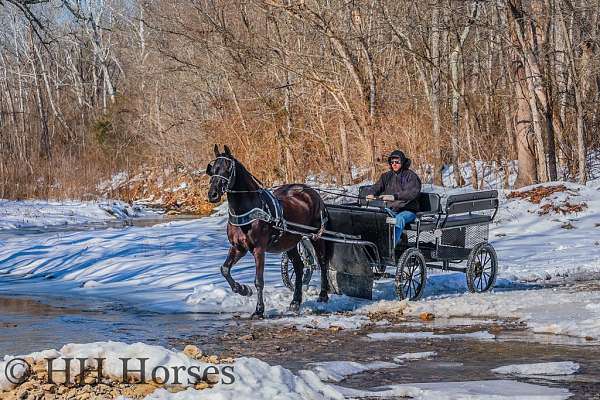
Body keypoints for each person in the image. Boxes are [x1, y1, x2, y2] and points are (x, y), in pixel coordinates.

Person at [366, 150, 422, 244]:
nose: (394, 164)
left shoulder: (411, 176)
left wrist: (394, 196)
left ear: (403, 162)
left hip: (408, 210)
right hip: (391, 209)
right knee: (376, 217)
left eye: (397, 162)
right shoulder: (387, 176)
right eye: (392, 162)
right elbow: (377, 186)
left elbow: (411, 192)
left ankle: (390, 247)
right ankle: (374, 244)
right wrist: (371, 193)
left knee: (399, 219)